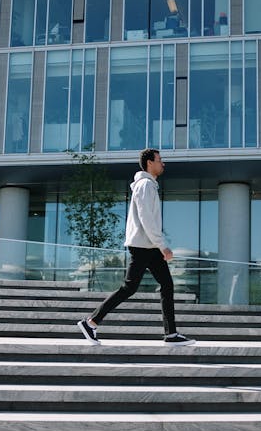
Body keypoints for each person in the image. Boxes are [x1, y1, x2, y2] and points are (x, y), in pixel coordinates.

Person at [77, 148, 196, 347]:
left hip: (148, 246)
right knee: (130, 287)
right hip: (143, 246)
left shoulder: (148, 185)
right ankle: (91, 322)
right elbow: (146, 219)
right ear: (150, 162)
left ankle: (171, 334)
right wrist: (163, 245)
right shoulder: (145, 185)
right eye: (160, 160)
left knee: (165, 285)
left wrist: (158, 245)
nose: (163, 164)